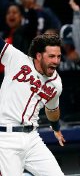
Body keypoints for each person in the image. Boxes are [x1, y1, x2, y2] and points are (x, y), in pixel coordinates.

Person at [0, 34, 65, 175]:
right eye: (51, 56)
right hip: (6, 137)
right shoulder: (16, 58)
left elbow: (52, 109)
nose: (56, 61)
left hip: (32, 138)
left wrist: (56, 128)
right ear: (39, 56)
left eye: (58, 57)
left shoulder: (56, 84)